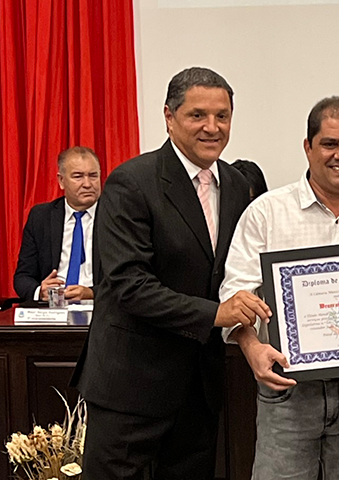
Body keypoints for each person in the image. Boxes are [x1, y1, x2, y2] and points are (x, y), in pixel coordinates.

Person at [72, 67, 269, 480]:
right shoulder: (131, 182)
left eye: (222, 116)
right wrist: (216, 314)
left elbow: (235, 272)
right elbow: (128, 285)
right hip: (131, 387)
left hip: (199, 389)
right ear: (169, 116)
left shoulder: (236, 185)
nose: (212, 127)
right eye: (198, 115)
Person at [220, 96, 339, 480]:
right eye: (329, 144)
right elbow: (235, 296)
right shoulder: (267, 213)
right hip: (287, 390)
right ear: (308, 147)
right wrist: (251, 347)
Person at [13, 146, 101, 302]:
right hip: (52, 307)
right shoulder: (41, 217)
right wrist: (40, 291)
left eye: (93, 176)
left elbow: (130, 278)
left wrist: (93, 293)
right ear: (61, 181)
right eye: (78, 176)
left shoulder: (117, 216)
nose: (87, 184)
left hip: (101, 307)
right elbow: (23, 277)